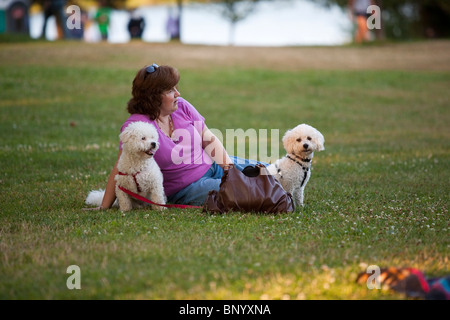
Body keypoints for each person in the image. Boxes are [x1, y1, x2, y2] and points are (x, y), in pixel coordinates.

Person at [89, 64, 265, 210]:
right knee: (246, 190)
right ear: (153, 96)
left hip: (213, 166)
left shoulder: (181, 106)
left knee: (268, 172)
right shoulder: (136, 127)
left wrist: (230, 169)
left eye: (176, 88)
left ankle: (282, 193)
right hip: (186, 188)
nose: (177, 94)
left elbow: (208, 138)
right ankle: (283, 200)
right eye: (170, 90)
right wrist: (104, 206)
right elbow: (122, 167)